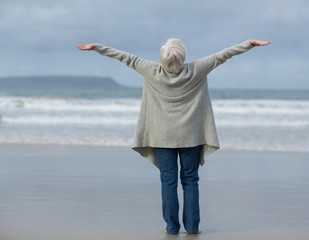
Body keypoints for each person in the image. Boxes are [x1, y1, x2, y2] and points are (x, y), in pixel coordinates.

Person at [77, 38, 270, 235]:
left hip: (163, 137)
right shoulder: (197, 69)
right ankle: (193, 227)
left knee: (168, 181)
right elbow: (224, 55)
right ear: (182, 55)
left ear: (163, 58)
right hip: (191, 137)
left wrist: (97, 48)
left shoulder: (150, 70)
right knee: (190, 180)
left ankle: (171, 228)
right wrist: (249, 44)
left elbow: (125, 58)